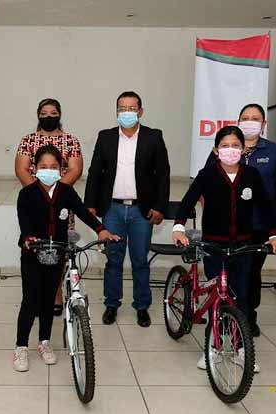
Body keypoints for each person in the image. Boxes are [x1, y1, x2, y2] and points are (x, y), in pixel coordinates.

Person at [173, 125, 276, 373]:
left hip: (244, 246)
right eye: (225, 146)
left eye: (235, 145)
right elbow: (188, 201)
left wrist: (274, 234)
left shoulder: (251, 175)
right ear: (216, 150)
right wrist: (178, 227)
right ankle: (212, 347)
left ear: (243, 149)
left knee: (240, 298)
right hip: (214, 245)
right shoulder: (207, 174)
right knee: (218, 298)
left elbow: (266, 207)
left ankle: (239, 349)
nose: (230, 150)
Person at [14, 145, 119, 372]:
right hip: (33, 253)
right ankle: (21, 346)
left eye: (53, 167)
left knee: (49, 299)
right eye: (43, 167)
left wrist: (101, 229)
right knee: (30, 300)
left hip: (58, 252)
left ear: (61, 170)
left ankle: (44, 342)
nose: (48, 171)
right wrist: (29, 238)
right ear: (34, 169)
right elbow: (24, 223)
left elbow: (82, 211)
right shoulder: (27, 194)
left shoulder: (66, 192)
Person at [84, 91, 170, 328]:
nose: (127, 113)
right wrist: (89, 204)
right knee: (113, 259)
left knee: (140, 260)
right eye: (122, 108)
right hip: (112, 209)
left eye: (132, 108)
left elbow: (163, 174)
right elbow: (94, 173)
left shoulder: (153, 137)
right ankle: (112, 304)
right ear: (116, 112)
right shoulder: (106, 137)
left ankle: (142, 306)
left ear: (140, 112)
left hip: (141, 211)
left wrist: (160, 206)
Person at [203, 104, 276, 336]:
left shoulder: (273, 150)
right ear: (238, 120)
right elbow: (204, 185)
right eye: (245, 117)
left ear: (263, 124)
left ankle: (248, 317)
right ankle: (222, 316)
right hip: (227, 226)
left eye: (256, 118)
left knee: (251, 275)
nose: (250, 121)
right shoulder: (225, 147)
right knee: (223, 274)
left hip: (260, 225)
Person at [14, 98, 84, 316]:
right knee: (36, 246)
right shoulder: (28, 140)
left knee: (60, 248)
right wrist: (40, 194)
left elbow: (75, 169)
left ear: (60, 114)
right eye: (44, 113)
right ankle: (35, 293)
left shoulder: (70, 140)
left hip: (61, 205)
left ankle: (55, 293)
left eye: (53, 112)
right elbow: (21, 169)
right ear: (38, 115)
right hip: (34, 205)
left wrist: (56, 195)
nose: (48, 116)